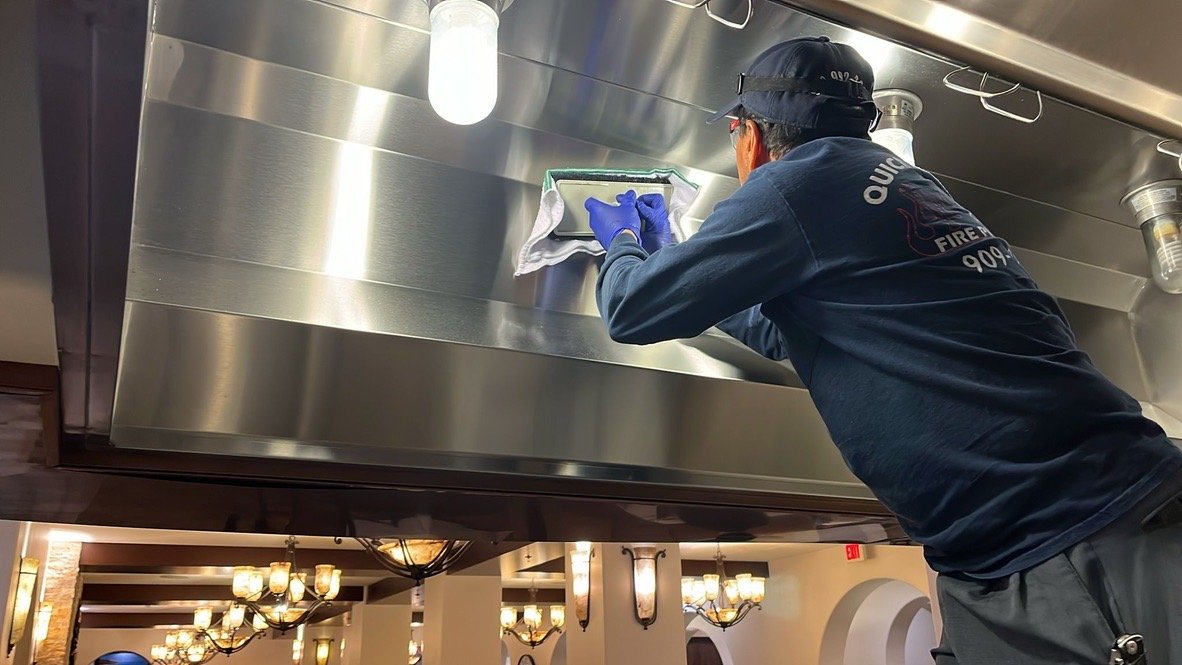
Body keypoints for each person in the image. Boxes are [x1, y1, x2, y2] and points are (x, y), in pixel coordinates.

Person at [584, 36, 1182, 664]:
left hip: (1070, 539)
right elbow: (792, 331)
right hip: (1039, 542)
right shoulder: (903, 184)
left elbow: (630, 310)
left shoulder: (796, 185)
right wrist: (690, 279)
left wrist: (622, 244)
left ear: (749, 135)